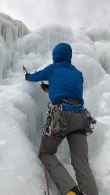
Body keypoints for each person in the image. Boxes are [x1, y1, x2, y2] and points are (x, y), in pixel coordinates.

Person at [25, 43, 98, 195]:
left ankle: (70, 191)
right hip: (81, 117)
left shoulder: (54, 68)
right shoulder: (78, 73)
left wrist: (28, 76)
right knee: (81, 162)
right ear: (69, 56)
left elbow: (36, 77)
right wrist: (51, 89)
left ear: (55, 55)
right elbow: (70, 89)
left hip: (61, 115)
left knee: (46, 153)